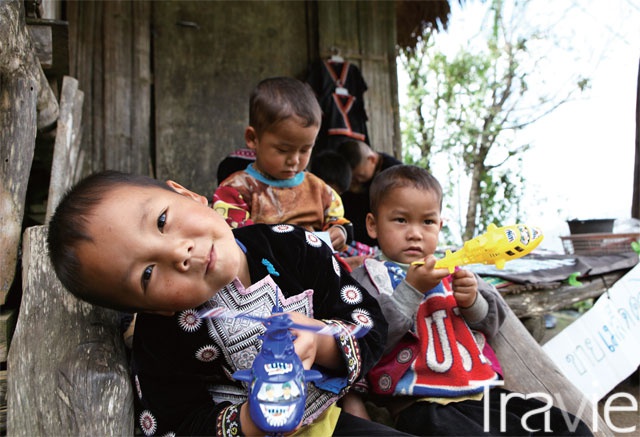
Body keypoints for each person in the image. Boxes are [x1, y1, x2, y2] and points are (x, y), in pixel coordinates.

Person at [46, 170, 412, 437]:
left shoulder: (294, 247)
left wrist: (322, 341)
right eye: (147, 274)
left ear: (187, 194)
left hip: (326, 425)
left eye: (161, 221)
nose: (179, 253)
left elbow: (366, 320)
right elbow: (170, 425)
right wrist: (248, 422)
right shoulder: (161, 335)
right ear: (153, 308)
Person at [346, 165, 593, 436]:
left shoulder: (454, 269)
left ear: (440, 226)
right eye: (401, 220)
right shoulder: (368, 277)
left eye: (427, 222)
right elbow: (369, 338)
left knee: (569, 428)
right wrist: (412, 289)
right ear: (372, 224)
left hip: (480, 394)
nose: (415, 233)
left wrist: (473, 301)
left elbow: (492, 323)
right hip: (421, 403)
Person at [213, 77, 351, 253]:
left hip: (319, 269)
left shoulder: (318, 189)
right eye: (283, 150)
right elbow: (236, 242)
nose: (294, 160)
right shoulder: (236, 191)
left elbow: (337, 218)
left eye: (304, 150)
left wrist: (339, 231)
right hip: (266, 273)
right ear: (253, 139)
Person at [337, 139, 402, 247]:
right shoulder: (363, 177)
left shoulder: (395, 175)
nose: (354, 183)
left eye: (358, 177)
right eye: (351, 180)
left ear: (371, 160)